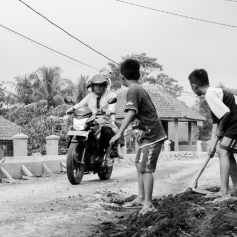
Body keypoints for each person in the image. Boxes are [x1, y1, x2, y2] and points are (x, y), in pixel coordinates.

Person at [110, 59, 167, 214]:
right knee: (139, 164)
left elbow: (131, 112)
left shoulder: (133, 90)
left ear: (122, 77)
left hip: (153, 135)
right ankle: (141, 198)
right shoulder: (138, 88)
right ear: (139, 74)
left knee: (146, 168)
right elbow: (135, 114)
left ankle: (148, 203)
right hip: (146, 136)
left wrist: (119, 132)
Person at [188, 69, 237, 198]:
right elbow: (216, 122)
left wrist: (219, 134)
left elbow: (225, 113)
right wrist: (212, 143)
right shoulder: (214, 93)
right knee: (225, 151)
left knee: (223, 151)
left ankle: (224, 192)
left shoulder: (210, 95)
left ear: (193, 86)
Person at [66, 74, 123, 167]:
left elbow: (112, 106)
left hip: (105, 120)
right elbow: (80, 104)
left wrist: (108, 110)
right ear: (93, 86)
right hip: (91, 120)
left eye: (100, 85)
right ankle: (76, 153)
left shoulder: (110, 95)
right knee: (76, 129)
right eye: (96, 85)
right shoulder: (90, 96)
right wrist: (72, 109)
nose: (98, 88)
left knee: (107, 132)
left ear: (104, 86)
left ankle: (108, 157)